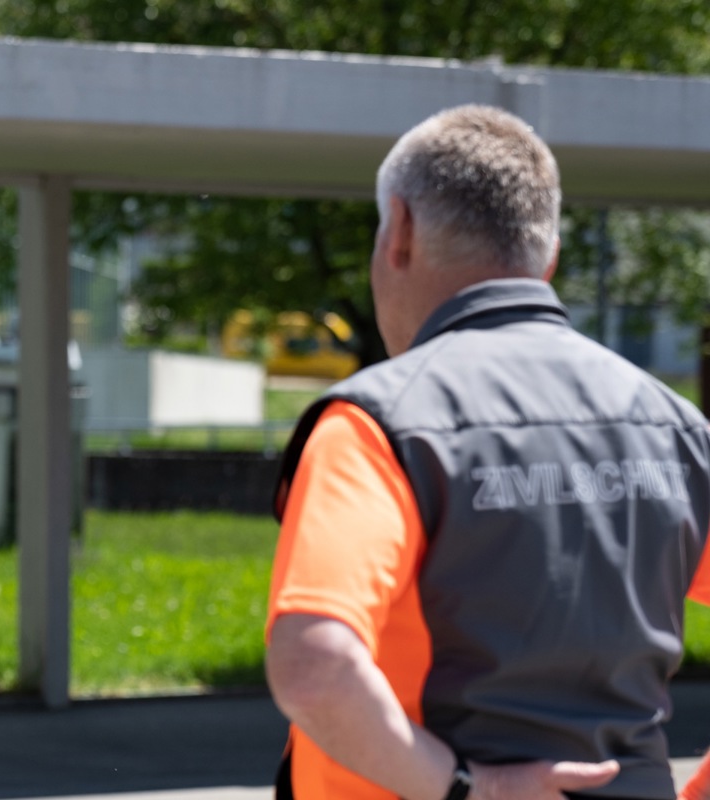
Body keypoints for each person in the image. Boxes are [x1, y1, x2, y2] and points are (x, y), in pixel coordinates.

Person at [264, 104, 710, 800]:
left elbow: (314, 666)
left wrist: (471, 787)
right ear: (550, 254)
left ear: (401, 233)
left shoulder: (379, 423)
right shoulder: (676, 428)